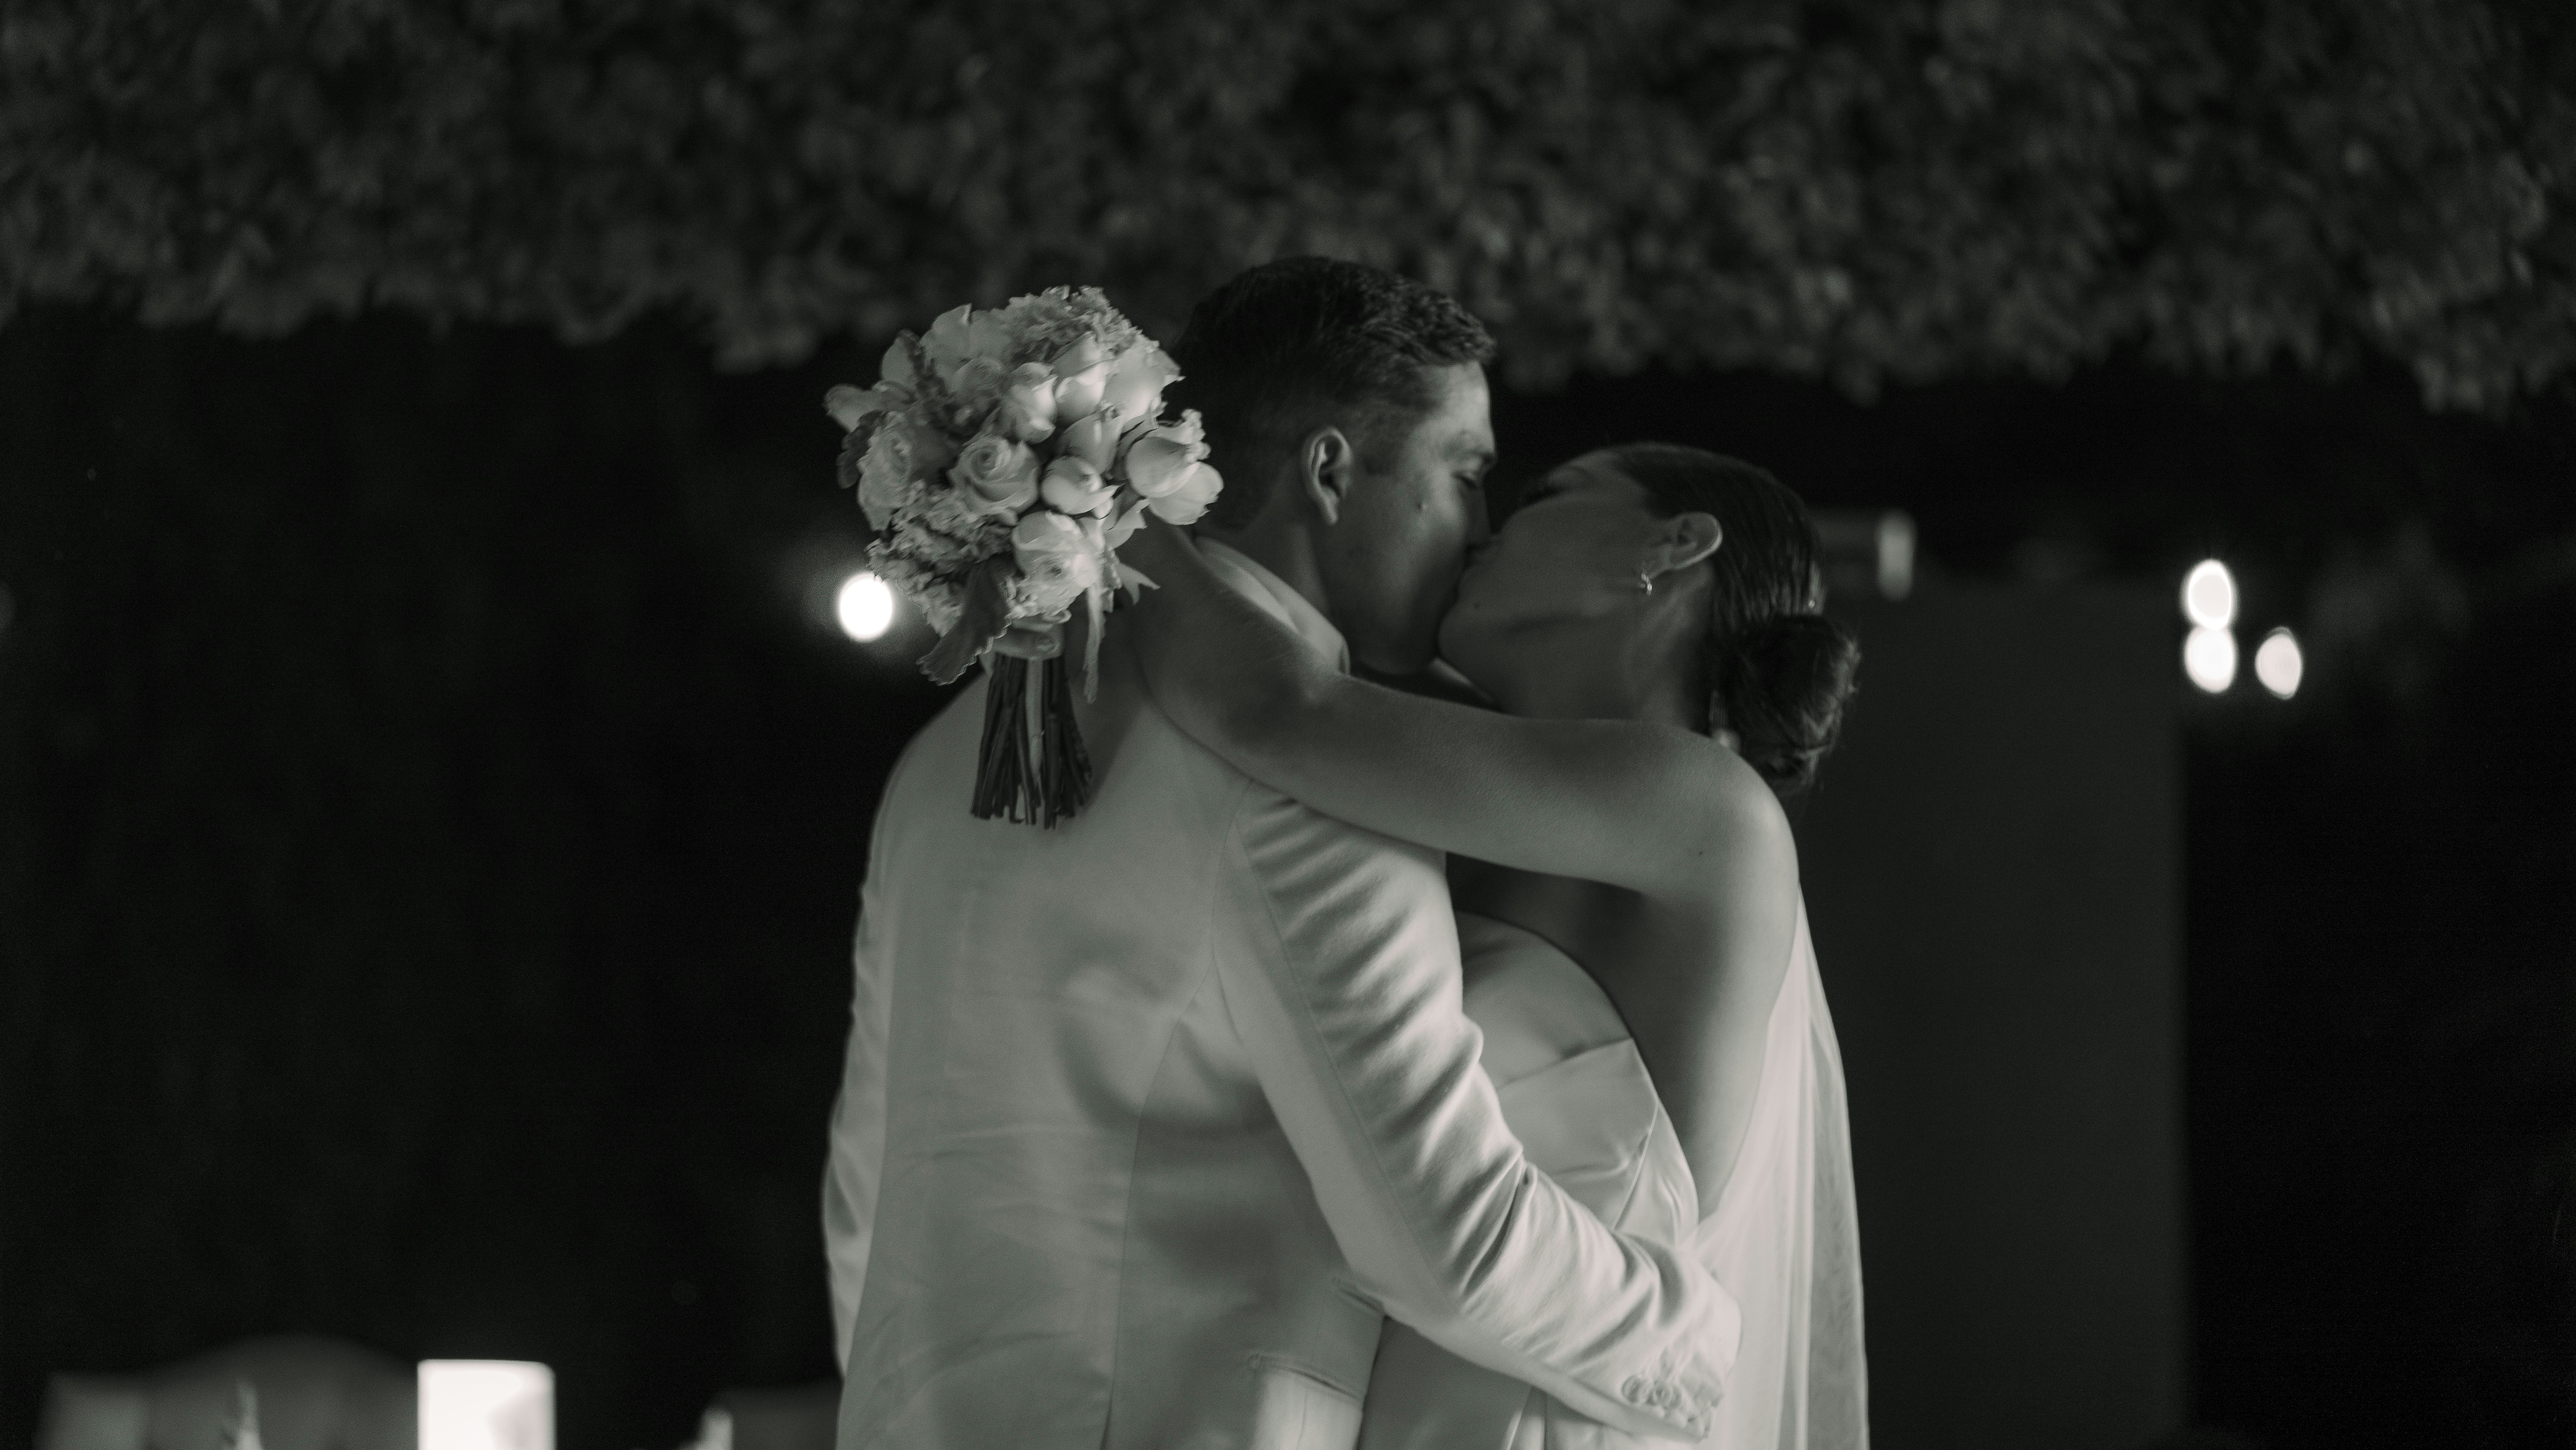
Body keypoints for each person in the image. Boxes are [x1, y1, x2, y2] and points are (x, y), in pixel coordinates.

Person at [821, 260, 1743, 1450]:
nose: (1475, 526)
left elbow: (866, 1186)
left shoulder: (955, 748)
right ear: (1330, 468)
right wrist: (1703, 1348)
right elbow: (1448, 1246)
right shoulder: (1320, 790)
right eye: (1464, 473)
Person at [1115, 442, 1869, 1448]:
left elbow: (1277, 706)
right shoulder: (1465, 780)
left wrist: (1096, 488)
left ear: (1676, 542)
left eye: (1549, 493)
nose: (1482, 528)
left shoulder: (1705, 806)